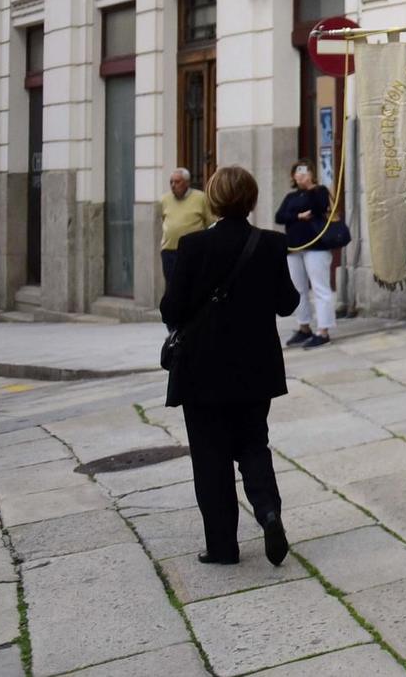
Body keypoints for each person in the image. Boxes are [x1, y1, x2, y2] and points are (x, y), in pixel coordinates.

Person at [160, 165, 301, 568]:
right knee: (254, 443)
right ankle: (269, 512)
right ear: (252, 199)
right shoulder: (271, 244)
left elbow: (171, 308)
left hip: (201, 371)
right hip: (255, 368)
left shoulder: (192, 246)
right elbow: (287, 303)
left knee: (210, 458)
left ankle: (223, 546)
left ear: (214, 201)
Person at [274, 162, 334, 349]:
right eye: (297, 172)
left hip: (315, 247)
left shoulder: (320, 191)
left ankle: (323, 330)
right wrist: (298, 216)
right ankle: (304, 326)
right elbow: (280, 216)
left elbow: (320, 207)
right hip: (294, 248)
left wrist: (311, 188)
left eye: (304, 171)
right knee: (298, 289)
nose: (300, 176)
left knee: (320, 287)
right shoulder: (291, 196)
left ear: (311, 173)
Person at [158, 167, 212, 286]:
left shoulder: (201, 198)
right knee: (172, 286)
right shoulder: (164, 199)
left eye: (177, 182)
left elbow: (211, 223)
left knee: (192, 285)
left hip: (193, 251)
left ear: (187, 183)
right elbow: (162, 220)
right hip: (169, 251)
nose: (173, 185)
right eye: (171, 182)